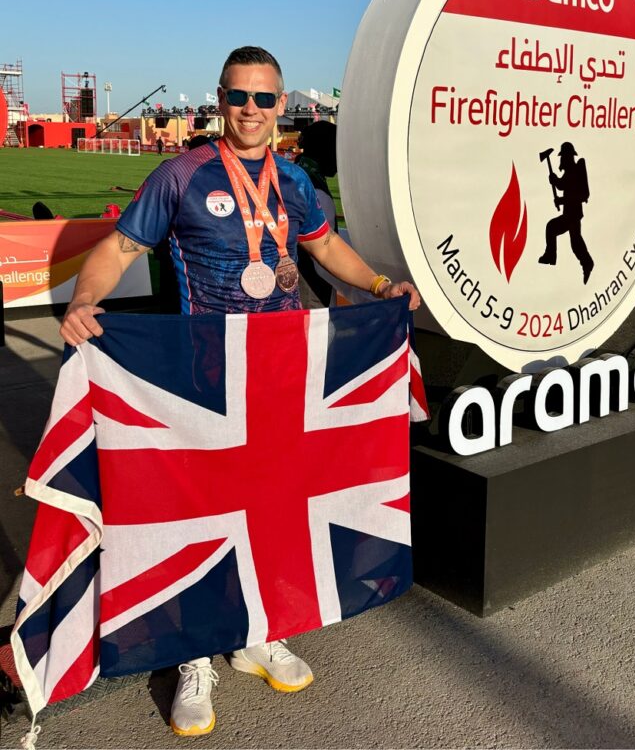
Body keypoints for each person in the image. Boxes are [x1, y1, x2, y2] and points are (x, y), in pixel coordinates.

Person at [60, 45, 420, 738]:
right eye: (238, 97)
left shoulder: (292, 178)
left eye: (263, 99)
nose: (250, 111)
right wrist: (84, 301)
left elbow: (323, 249)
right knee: (204, 511)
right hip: (206, 382)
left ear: (281, 104)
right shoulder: (182, 174)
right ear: (219, 100)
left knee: (276, 504)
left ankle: (261, 629)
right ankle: (195, 654)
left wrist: (377, 286)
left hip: (282, 380)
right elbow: (119, 250)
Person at [295, 121, 337, 308]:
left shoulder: (296, 174)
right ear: (325, 150)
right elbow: (325, 253)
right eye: (335, 150)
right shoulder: (316, 190)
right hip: (311, 291)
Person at [538, 141, 594, 284]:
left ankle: (584, 262)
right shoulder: (570, 171)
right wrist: (555, 181)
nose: (561, 160)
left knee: (555, 230)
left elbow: (569, 190)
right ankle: (585, 262)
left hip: (572, 214)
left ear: (568, 157)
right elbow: (563, 185)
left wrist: (556, 183)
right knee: (574, 240)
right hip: (570, 214)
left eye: (563, 156)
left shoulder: (574, 170)